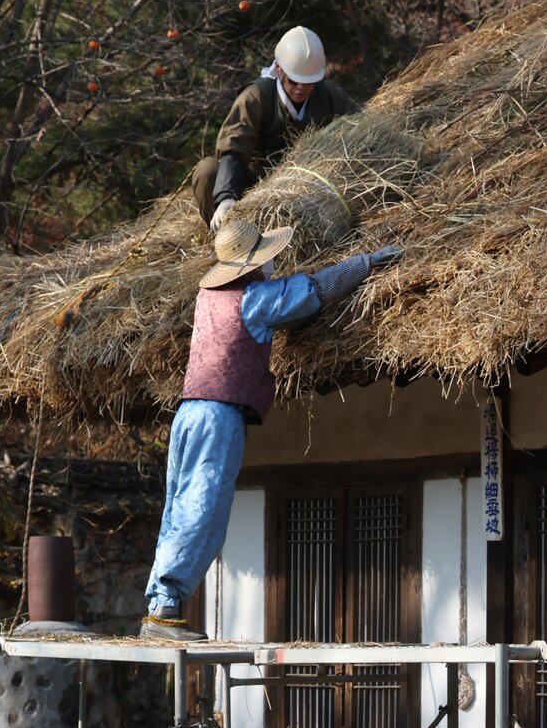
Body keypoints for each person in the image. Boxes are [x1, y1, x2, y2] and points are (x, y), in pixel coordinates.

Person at [141, 217, 399, 639]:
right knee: (204, 508)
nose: (273, 263)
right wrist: (364, 263)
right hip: (218, 415)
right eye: (267, 257)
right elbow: (313, 291)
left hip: (188, 411)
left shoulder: (208, 297)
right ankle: (167, 605)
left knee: (178, 507)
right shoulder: (255, 299)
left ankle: (159, 603)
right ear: (253, 264)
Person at [192, 26, 359, 228]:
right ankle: (228, 236)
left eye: (308, 82)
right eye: (294, 80)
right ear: (279, 69)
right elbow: (233, 149)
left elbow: (360, 127)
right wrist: (226, 197)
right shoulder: (256, 97)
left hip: (306, 184)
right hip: (255, 180)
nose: (301, 88)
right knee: (207, 170)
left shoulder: (329, 94)